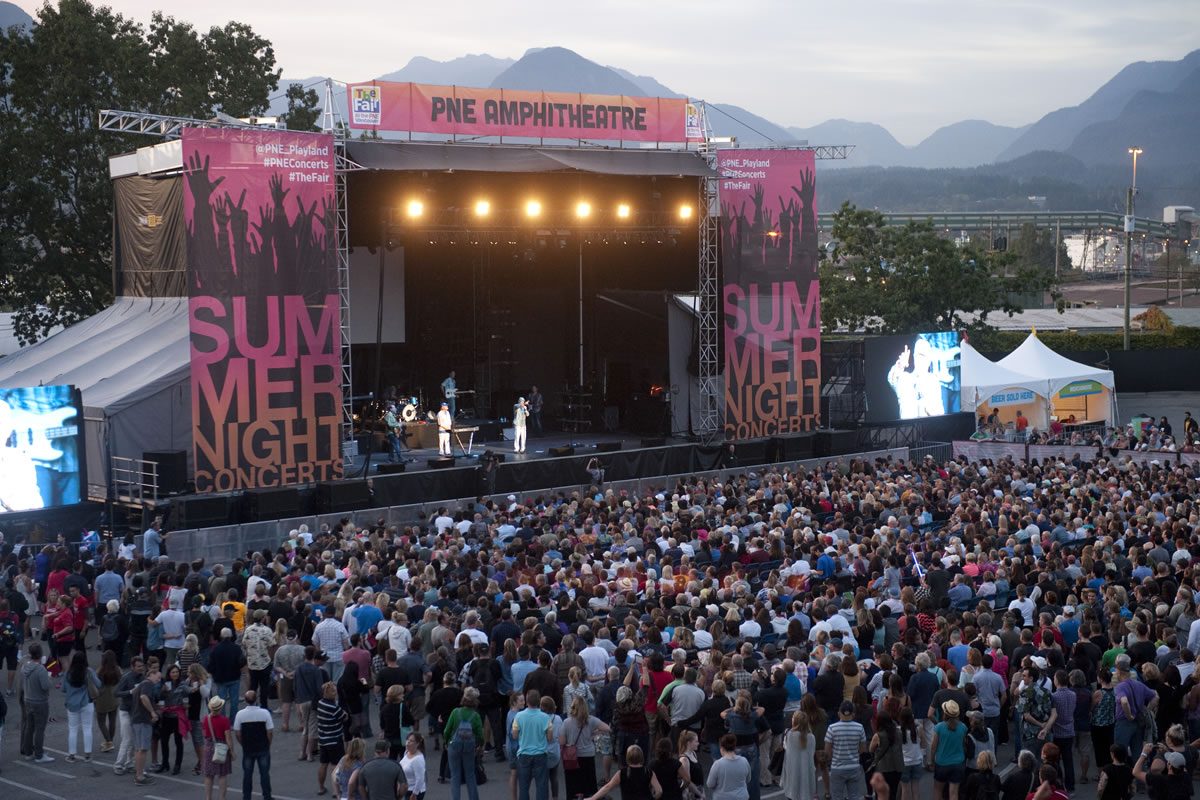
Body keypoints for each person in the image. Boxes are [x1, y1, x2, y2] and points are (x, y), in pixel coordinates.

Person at [560, 694, 610, 800]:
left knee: (572, 784)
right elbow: (607, 728)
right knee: (589, 785)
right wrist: (595, 733)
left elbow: (562, 741)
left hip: (572, 757)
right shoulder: (591, 720)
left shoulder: (566, 722)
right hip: (588, 755)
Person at [513, 688, 555, 800]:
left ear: (527, 701)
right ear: (539, 702)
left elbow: (515, 735)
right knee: (542, 786)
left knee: (523, 787)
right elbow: (550, 738)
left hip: (524, 754)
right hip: (540, 754)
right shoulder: (545, 717)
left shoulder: (518, 716)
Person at [445, 686, 485, 800]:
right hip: (469, 746)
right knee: (470, 774)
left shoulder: (455, 712)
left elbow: (447, 730)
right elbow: (479, 734)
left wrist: (446, 741)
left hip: (454, 745)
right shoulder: (475, 716)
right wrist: (480, 745)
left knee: (455, 775)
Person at [233, 689, 273, 800]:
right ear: (257, 699)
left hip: (248, 748)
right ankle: (267, 796)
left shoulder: (240, 714)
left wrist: (243, 743)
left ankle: (246, 796)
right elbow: (270, 731)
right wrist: (267, 743)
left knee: (247, 774)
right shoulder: (265, 713)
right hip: (263, 747)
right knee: (264, 773)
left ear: (245, 701)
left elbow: (237, 733)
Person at [587, 743, 662, 800]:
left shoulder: (622, 773)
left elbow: (608, 787)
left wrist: (593, 798)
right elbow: (659, 791)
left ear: (627, 758)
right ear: (642, 757)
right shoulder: (648, 772)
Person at [62, 649, 99, 762]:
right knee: (87, 728)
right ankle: (87, 754)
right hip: (86, 702)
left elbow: (63, 689)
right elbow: (99, 684)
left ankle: (71, 755)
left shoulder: (68, 673)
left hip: (72, 704)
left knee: (73, 729)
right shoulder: (88, 672)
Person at [825, 700, 866, 800]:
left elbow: (827, 751)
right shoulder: (860, 728)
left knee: (837, 796)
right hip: (854, 766)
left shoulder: (832, 728)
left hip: (837, 767)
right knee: (854, 796)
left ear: (839, 713)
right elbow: (863, 749)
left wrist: (832, 760)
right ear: (853, 714)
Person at [928, 700, 967, 800]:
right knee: (954, 793)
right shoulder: (963, 727)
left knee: (938, 790)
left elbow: (933, 747)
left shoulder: (939, 727)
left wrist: (931, 762)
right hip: (958, 763)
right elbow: (963, 745)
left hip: (942, 763)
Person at [132, 665, 164, 786]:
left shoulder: (141, 684)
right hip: (143, 720)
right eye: (158, 676)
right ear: (150, 674)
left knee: (138, 748)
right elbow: (143, 697)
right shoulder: (147, 684)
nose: (159, 679)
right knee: (143, 749)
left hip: (136, 720)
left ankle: (139, 772)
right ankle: (139, 776)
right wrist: (152, 712)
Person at [316, 681, 349, 796]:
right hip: (335, 739)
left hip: (323, 739)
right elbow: (344, 717)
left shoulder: (320, 703)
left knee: (323, 764)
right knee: (336, 766)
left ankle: (321, 787)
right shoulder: (334, 707)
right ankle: (336, 791)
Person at [202, 696, 235, 800]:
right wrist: (232, 751)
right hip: (221, 747)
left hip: (209, 746)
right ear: (220, 708)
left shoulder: (206, 719)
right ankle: (221, 798)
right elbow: (228, 738)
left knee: (208, 774)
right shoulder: (225, 720)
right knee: (222, 774)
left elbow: (204, 734)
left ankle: (208, 798)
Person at [780, 710, 816, 800]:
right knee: (805, 793)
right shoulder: (811, 737)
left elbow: (785, 746)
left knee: (792, 794)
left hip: (792, 770)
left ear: (795, 721)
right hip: (807, 770)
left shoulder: (790, 735)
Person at [705, 735, 750, 800]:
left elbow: (710, 784)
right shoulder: (744, 761)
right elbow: (748, 779)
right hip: (742, 797)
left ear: (722, 748)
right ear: (734, 747)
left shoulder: (717, 764)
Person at [399, 733, 428, 800]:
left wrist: (414, 794)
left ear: (417, 744)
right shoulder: (406, 752)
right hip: (406, 788)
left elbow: (420, 778)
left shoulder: (418, 759)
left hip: (414, 791)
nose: (408, 742)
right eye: (407, 740)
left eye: (411, 741)